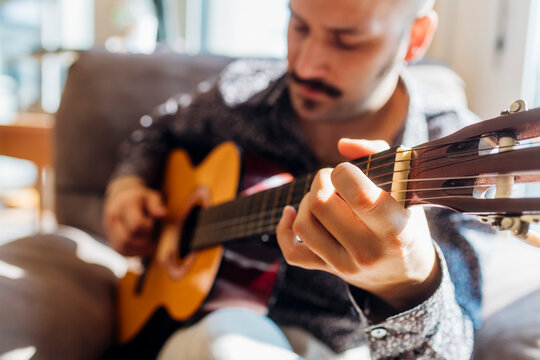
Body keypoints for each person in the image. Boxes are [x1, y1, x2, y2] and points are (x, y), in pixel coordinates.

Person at [103, 0, 486, 358]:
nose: (306, 64)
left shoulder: (452, 156)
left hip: (348, 346)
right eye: (299, 26)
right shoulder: (241, 95)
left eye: (346, 41)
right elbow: (159, 129)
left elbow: (451, 347)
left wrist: (409, 285)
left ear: (414, 37)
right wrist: (128, 184)